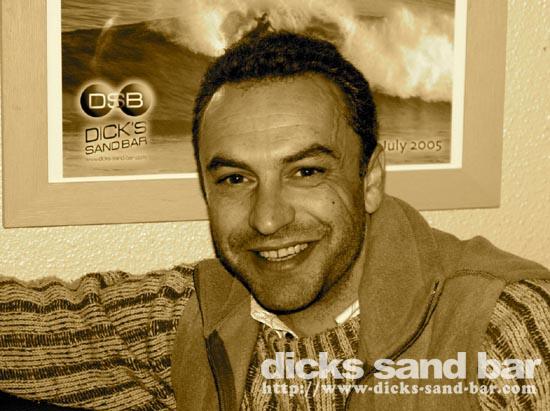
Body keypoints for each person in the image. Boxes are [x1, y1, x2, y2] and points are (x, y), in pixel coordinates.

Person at [0, 31, 549, 411]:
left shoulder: (503, 330)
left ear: (371, 179)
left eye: (306, 172)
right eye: (235, 178)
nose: (267, 219)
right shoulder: (188, 320)